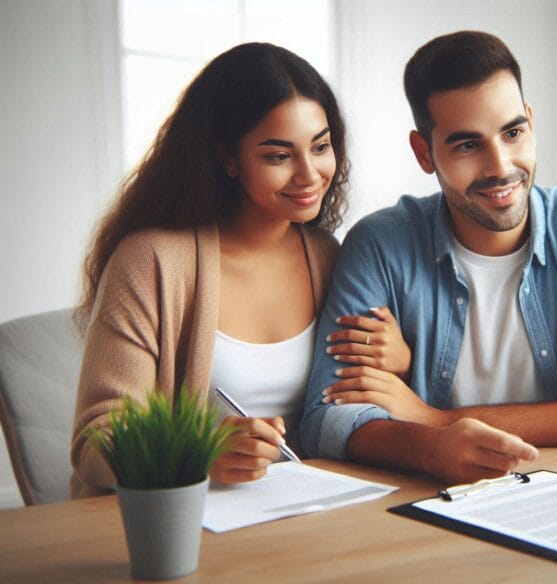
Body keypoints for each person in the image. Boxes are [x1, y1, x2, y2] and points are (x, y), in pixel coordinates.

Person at [300, 31, 557, 483]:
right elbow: (326, 418)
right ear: (424, 152)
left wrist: (434, 420)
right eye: (468, 145)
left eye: (512, 132)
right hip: (432, 503)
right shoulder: (380, 245)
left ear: (530, 120)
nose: (500, 166)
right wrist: (432, 449)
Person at [70, 43, 410, 498]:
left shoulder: (329, 255)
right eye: (278, 155)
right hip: (182, 524)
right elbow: (96, 440)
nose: (309, 174)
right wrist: (201, 452)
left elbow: (359, 411)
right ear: (227, 158)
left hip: (307, 511)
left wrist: (400, 364)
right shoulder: (151, 260)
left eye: (321, 146)